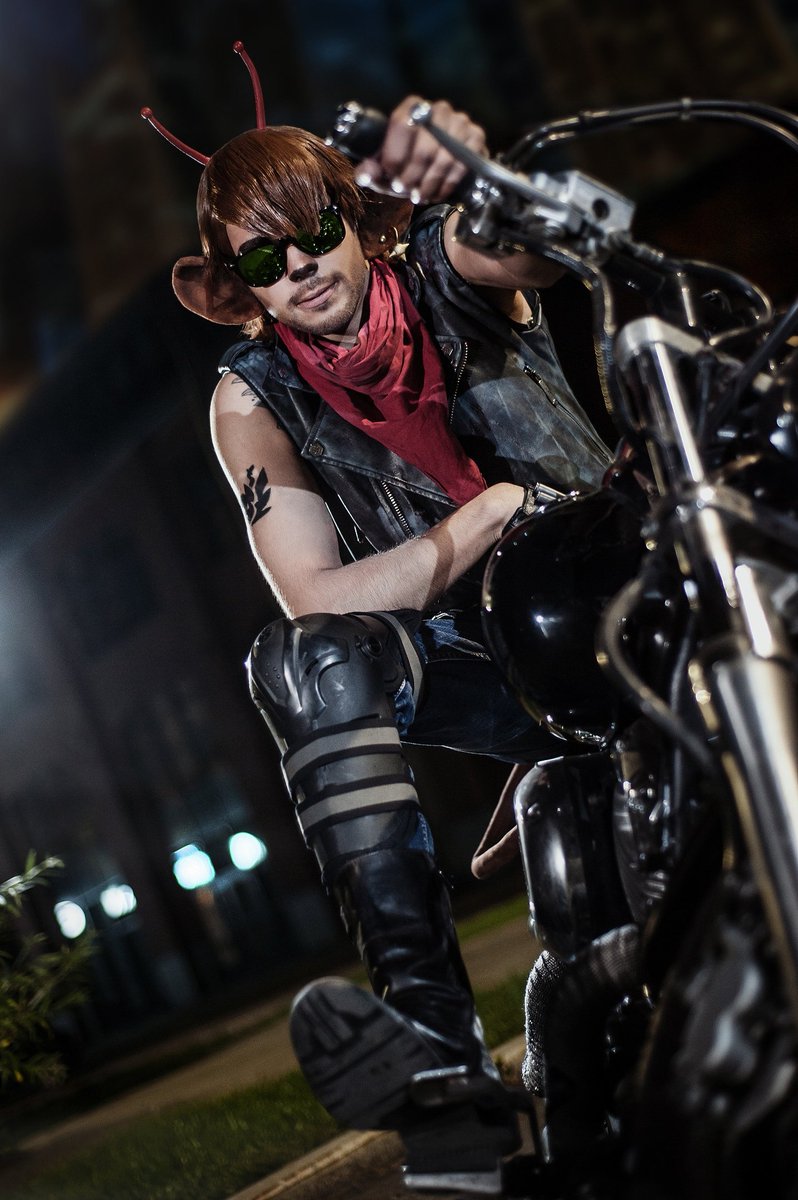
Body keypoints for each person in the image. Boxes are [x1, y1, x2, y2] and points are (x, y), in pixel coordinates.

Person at [158, 84, 613, 1147]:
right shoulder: (250, 397)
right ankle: (444, 1068)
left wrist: (477, 171)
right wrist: (484, 516)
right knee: (305, 659)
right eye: (263, 256)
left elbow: (537, 248)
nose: (300, 265)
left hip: (615, 609)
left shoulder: (448, 266)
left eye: (316, 231)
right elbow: (315, 600)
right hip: (493, 666)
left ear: (355, 220)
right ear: (242, 283)